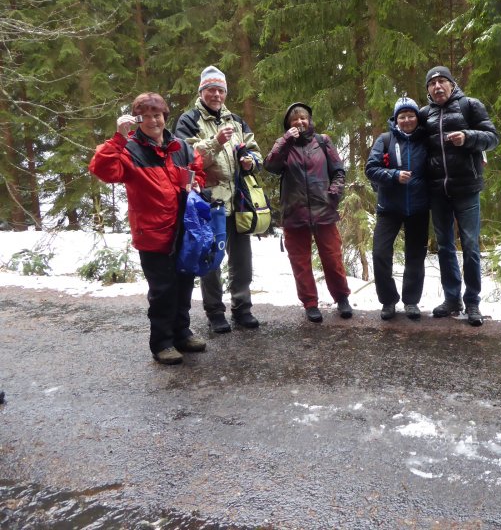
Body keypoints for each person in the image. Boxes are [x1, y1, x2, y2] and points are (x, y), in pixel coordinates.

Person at [89, 93, 207, 365]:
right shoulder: (129, 149)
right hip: (153, 233)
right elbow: (103, 169)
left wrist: (195, 182)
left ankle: (182, 332)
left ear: (165, 116)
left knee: (184, 285)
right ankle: (162, 343)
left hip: (185, 230)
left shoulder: (180, 147)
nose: (154, 120)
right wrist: (118, 138)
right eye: (147, 116)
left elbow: (197, 170)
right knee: (163, 290)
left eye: (159, 115)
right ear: (138, 119)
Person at [175, 66, 262, 334]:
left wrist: (251, 161)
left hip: (239, 202)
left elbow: (255, 150)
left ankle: (242, 308)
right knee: (211, 261)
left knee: (242, 260)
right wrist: (215, 142)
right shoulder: (189, 120)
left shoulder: (235, 121)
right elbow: (185, 156)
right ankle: (215, 313)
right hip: (209, 203)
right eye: (211, 89)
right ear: (201, 91)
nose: (216, 94)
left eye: (220, 90)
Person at [421, 66, 499, 326]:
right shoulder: (424, 114)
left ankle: (473, 301)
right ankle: (452, 298)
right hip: (438, 191)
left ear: (452, 84)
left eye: (442, 81)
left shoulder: (470, 105)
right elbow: (408, 135)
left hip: (467, 188)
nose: (438, 86)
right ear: (428, 90)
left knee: (470, 246)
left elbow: (491, 138)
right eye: (432, 84)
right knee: (444, 247)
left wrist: (467, 137)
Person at [263, 103, 352, 323]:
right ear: (288, 125)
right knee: (300, 262)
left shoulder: (323, 141)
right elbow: (270, 165)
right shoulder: (283, 146)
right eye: (295, 120)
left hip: (324, 210)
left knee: (332, 258)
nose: (300, 122)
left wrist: (334, 193)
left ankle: (342, 298)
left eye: (303, 118)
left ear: (309, 120)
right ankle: (310, 303)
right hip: (295, 212)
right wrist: (285, 140)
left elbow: (339, 171)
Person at [365, 96, 429, 320]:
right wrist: (393, 175)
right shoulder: (385, 140)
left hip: (419, 207)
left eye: (411, 115)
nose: (407, 119)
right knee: (380, 253)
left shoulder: (425, 140)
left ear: (417, 118)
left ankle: (411, 301)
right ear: (396, 119)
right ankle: (388, 301)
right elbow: (370, 169)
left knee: (415, 256)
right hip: (389, 207)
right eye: (402, 116)